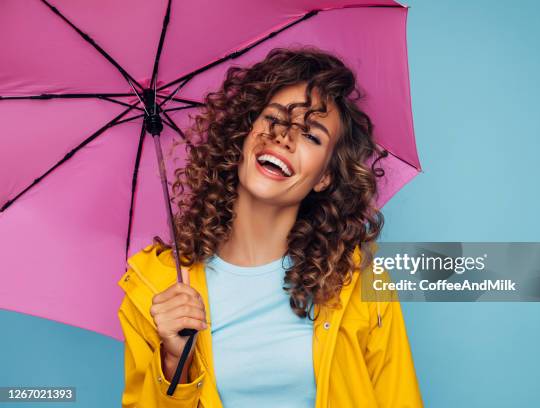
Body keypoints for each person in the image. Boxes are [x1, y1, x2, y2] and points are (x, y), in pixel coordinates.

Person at [117, 47, 423, 407]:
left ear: (325, 176)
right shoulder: (156, 284)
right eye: (274, 119)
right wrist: (173, 364)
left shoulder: (360, 282)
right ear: (244, 136)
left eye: (311, 136)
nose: (283, 138)